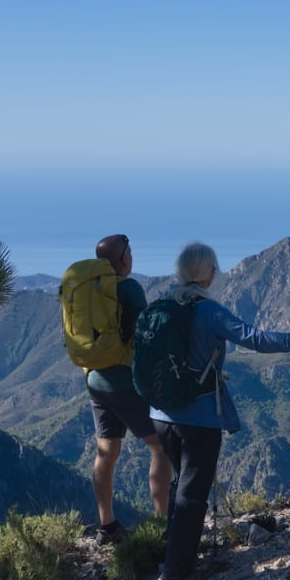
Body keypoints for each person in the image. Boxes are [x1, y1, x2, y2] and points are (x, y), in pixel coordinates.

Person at [150, 242, 290, 580]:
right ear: (208, 273)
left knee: (180, 487)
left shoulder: (163, 305)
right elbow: (257, 339)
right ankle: (175, 576)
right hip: (198, 418)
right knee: (191, 494)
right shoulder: (208, 312)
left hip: (160, 414)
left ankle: (173, 559)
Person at [85, 233, 173, 544]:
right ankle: (164, 525)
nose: (132, 258)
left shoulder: (86, 291)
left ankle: (106, 526)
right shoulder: (129, 288)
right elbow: (145, 336)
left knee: (106, 452)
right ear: (123, 260)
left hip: (96, 380)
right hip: (126, 380)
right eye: (130, 254)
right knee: (160, 448)